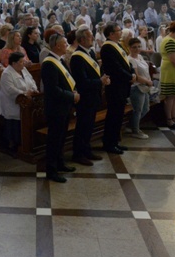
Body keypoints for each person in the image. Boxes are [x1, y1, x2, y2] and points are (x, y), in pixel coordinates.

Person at [41, 33, 79, 183]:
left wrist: (73, 92)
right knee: (54, 139)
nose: (67, 45)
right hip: (55, 108)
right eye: (64, 43)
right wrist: (71, 96)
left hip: (64, 107)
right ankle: (51, 170)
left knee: (61, 137)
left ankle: (60, 163)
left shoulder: (60, 61)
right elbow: (52, 90)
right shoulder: (49, 63)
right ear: (57, 46)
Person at [69, 26, 107, 166]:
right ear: (82, 39)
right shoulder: (77, 57)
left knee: (89, 125)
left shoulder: (90, 52)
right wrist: (100, 81)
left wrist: (102, 78)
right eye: (90, 36)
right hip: (85, 97)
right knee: (82, 126)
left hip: (93, 95)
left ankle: (87, 150)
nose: (93, 39)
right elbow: (82, 82)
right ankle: (78, 154)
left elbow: (94, 73)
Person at [101, 22, 135, 154]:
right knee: (113, 115)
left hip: (122, 85)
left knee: (119, 114)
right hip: (115, 86)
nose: (121, 32)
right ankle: (109, 143)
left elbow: (126, 61)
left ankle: (115, 141)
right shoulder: (107, 47)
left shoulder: (117, 45)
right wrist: (129, 76)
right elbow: (115, 68)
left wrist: (131, 72)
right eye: (118, 30)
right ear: (111, 34)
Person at [0, 52, 38, 157]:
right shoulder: (7, 73)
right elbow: (10, 90)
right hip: (13, 104)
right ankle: (14, 145)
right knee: (14, 127)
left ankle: (27, 143)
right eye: (21, 62)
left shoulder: (23, 69)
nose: (23, 63)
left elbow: (32, 80)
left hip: (27, 101)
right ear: (14, 63)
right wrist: (24, 93)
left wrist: (34, 90)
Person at [126, 38, 153, 138]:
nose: (137, 49)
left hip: (145, 86)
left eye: (139, 46)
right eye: (134, 47)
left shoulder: (140, 56)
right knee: (138, 110)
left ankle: (130, 125)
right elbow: (136, 76)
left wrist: (148, 81)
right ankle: (136, 131)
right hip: (137, 87)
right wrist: (147, 81)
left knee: (146, 108)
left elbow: (145, 70)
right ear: (129, 48)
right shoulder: (130, 60)